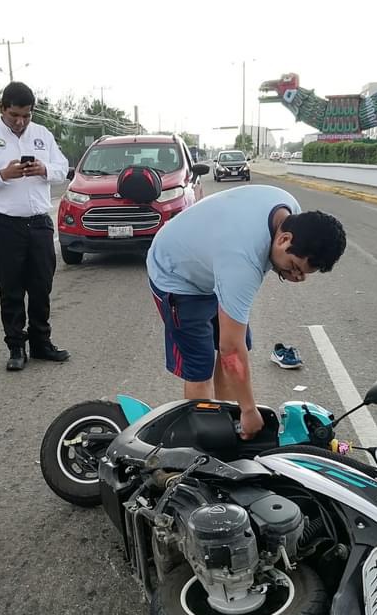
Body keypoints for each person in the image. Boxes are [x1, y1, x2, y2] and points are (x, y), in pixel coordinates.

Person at [146, 185, 346, 439]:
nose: (297, 278)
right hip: (176, 274)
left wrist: (242, 411)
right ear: (283, 240)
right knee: (201, 368)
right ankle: (201, 444)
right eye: (295, 267)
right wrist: (249, 410)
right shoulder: (241, 261)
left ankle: (229, 427)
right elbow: (231, 350)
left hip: (213, 259)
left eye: (305, 274)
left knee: (234, 349)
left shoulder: (290, 211)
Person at [0, 81, 71, 371]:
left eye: (27, 115)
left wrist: (44, 169)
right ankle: (16, 347)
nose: (21, 121)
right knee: (11, 288)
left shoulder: (42, 135)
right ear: (2, 108)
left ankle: (41, 343)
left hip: (38, 223)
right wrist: (3, 174)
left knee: (41, 285)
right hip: (4, 224)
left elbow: (63, 168)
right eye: (15, 115)